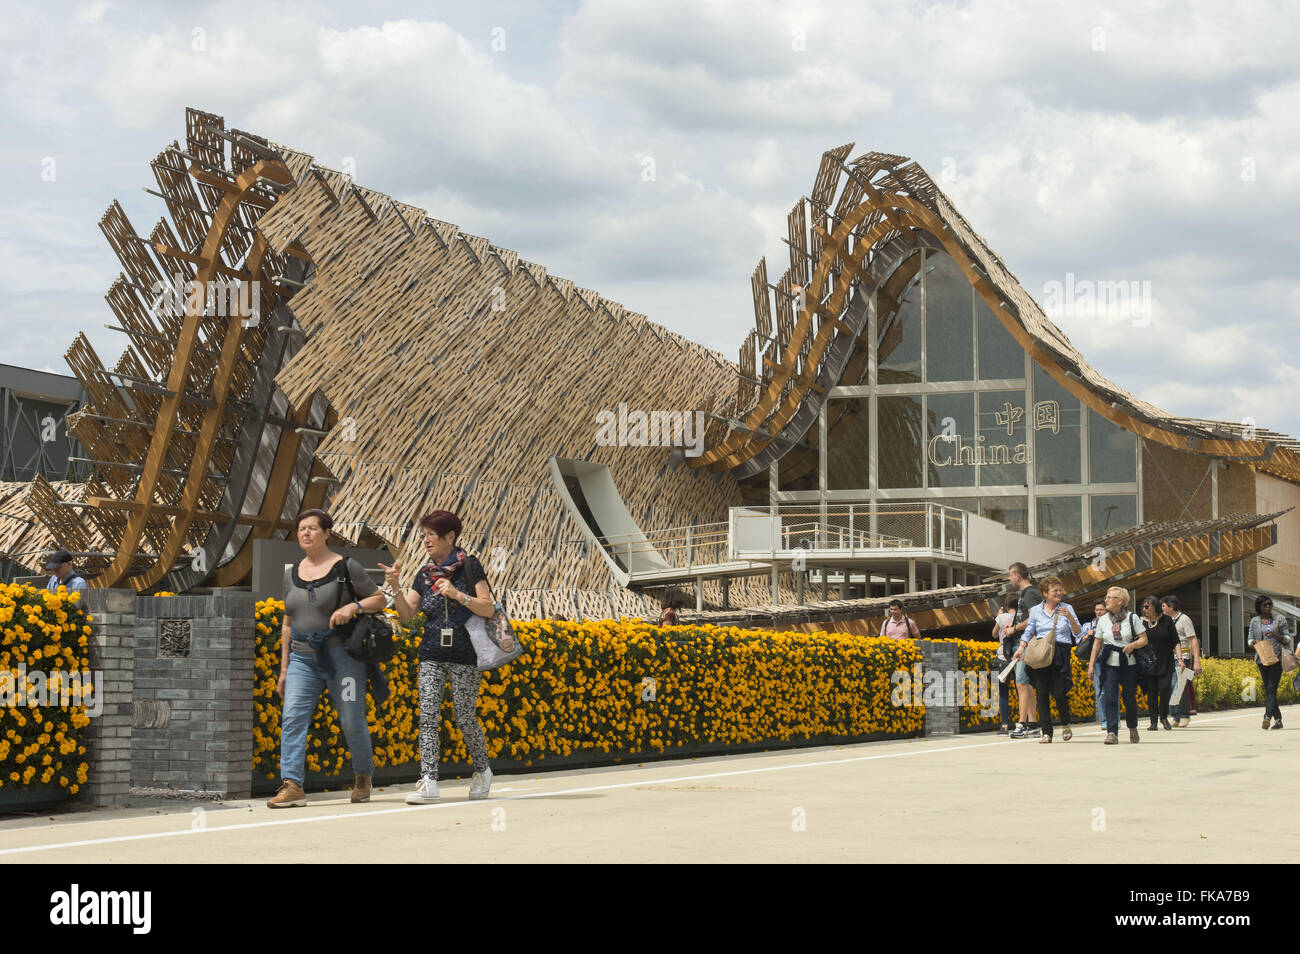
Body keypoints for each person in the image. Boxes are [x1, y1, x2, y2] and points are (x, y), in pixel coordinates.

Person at [267, 509, 388, 809]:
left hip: (342, 658)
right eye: (301, 529)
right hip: (301, 658)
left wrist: (354, 607)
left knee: (350, 719)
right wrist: (284, 669)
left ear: (326, 533)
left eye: (312, 528)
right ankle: (292, 785)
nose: (305, 533)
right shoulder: (289, 573)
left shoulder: (347, 567)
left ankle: (363, 776)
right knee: (293, 716)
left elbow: (380, 599)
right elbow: (287, 622)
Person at [384, 510, 498, 803]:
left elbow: (487, 607)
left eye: (431, 534)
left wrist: (459, 595)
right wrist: (396, 588)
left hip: (464, 652)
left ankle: (483, 770)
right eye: (423, 535)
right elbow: (408, 616)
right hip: (432, 651)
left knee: (464, 718)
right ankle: (429, 781)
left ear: (450, 536)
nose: (426, 540)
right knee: (428, 715)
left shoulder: (470, 566)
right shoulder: (424, 574)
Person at [1011, 575, 1080, 743]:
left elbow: (1078, 632)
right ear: (1045, 593)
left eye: (1060, 590)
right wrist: (1021, 648)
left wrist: (1070, 618)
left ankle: (1065, 723)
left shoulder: (1067, 608)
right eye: (1055, 590)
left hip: (1060, 653)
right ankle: (1046, 732)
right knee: (1041, 693)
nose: (1059, 593)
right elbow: (1028, 632)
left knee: (1059, 693)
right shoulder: (1035, 611)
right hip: (1041, 652)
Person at [1088, 586, 1148, 745]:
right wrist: (1091, 665)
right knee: (1110, 698)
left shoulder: (1132, 618)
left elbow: (1144, 639)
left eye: (1109, 597)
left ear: (1120, 601)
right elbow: (1097, 644)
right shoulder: (1103, 620)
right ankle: (1111, 732)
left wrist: (1133, 645)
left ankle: (1132, 727)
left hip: (1129, 663)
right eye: (1106, 597)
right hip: (1109, 663)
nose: (1105, 600)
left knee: (1129, 698)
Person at [1003, 563, 1041, 739]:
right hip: (1025, 642)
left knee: (1021, 683)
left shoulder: (1030, 593)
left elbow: (1034, 617)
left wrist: (1015, 628)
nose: (1009, 579)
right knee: (1025, 684)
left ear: (1018, 576)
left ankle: (1022, 724)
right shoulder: (1027, 593)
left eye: (1010, 575)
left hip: (1027, 643)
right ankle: (1033, 724)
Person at [1247, 595, 1292, 730]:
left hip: (1277, 659)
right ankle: (1278, 720)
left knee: (1271, 689)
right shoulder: (1255, 621)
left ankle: (1267, 716)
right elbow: (1249, 639)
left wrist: (1275, 636)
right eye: (1265, 605)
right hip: (1262, 659)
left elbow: (1287, 638)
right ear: (1259, 607)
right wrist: (1253, 642)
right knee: (1269, 690)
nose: (1268, 607)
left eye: (1269, 604)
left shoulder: (1279, 619)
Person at [1139, 596, 1179, 731]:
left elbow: (1176, 641)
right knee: (1151, 692)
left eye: (1147, 606)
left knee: (1165, 689)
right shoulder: (1140, 623)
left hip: (1166, 661)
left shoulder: (1167, 621)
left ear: (1155, 607)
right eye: (1143, 607)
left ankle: (1163, 717)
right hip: (1149, 663)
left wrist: (1179, 659)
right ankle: (1153, 722)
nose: (1144, 609)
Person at [1162, 595, 1200, 727]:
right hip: (1168, 657)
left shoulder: (1184, 620)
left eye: (1164, 606)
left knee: (1179, 686)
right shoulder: (1165, 620)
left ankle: (1184, 714)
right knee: (1170, 686)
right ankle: (1176, 716)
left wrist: (1196, 662)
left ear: (1171, 607)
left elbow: (1193, 640)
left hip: (1183, 657)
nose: (1162, 608)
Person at [993, 594, 1019, 735]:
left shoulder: (1002, 617)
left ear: (1007, 605)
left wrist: (998, 616)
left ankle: (1004, 725)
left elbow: (994, 634)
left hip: (1003, 658)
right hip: (1018, 658)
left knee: (1003, 693)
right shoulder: (1021, 618)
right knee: (1021, 690)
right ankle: (1025, 722)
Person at [1078, 601, 1107, 726]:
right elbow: (1078, 640)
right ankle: (1103, 719)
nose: (1099, 612)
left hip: (1110, 660)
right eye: (1097, 610)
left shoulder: (1111, 624)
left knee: (1111, 691)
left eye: (1101, 609)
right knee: (1099, 691)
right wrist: (1086, 636)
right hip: (1096, 661)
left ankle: (1114, 719)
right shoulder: (1088, 625)